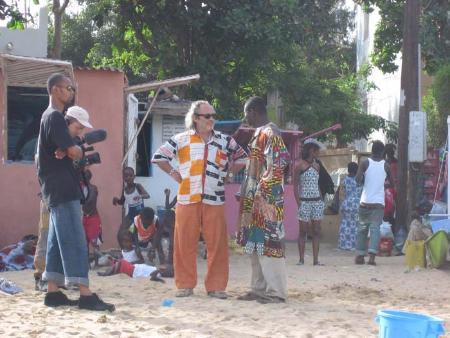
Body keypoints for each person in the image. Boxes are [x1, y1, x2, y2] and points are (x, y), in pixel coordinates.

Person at [152, 100, 246, 299]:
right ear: (195, 118)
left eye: (213, 115)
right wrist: (173, 173)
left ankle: (216, 287)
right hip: (187, 198)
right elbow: (159, 157)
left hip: (215, 198)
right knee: (184, 243)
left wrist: (229, 173)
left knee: (217, 245)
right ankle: (185, 285)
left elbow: (242, 158)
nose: (212, 119)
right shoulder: (181, 139)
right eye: (207, 116)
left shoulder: (224, 140)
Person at [37, 73, 114, 311]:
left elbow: (62, 149)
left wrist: (70, 147)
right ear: (56, 90)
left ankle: (53, 292)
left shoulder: (48, 118)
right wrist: (76, 149)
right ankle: (85, 294)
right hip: (62, 188)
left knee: (56, 241)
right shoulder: (56, 117)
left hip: (54, 187)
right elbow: (71, 152)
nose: (71, 92)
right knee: (74, 238)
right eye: (68, 88)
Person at [237, 96, 290, 304]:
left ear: (253, 111)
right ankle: (258, 289)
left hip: (266, 200)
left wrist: (262, 191)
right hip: (254, 198)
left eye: (246, 114)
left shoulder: (270, 132)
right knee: (255, 243)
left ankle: (276, 292)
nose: (245, 118)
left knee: (269, 244)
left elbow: (279, 164)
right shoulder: (259, 134)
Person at [355, 140, 393, 265]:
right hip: (378, 203)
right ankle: (371, 258)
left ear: (372, 150)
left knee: (362, 228)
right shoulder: (386, 165)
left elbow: (358, 180)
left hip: (365, 201)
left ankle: (360, 256)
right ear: (382, 152)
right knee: (375, 229)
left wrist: (365, 178)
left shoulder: (365, 163)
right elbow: (392, 183)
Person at [293, 139, 325, 266]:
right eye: (317, 150)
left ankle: (316, 260)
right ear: (312, 150)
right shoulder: (299, 166)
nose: (318, 153)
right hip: (304, 202)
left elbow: (317, 185)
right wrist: (299, 203)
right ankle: (301, 260)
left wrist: (321, 200)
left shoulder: (317, 166)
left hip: (317, 202)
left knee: (316, 231)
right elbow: (295, 186)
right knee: (303, 231)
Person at [338, 162, 363, 250]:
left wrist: (341, 206)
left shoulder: (344, 180)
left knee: (345, 224)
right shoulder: (360, 180)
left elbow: (341, 195)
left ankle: (344, 244)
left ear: (348, 170)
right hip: (357, 205)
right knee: (356, 225)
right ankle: (354, 245)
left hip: (347, 204)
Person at [81, 169, 102, 267]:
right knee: (84, 242)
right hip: (84, 217)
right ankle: (87, 264)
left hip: (93, 218)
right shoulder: (81, 188)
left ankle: (96, 263)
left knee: (95, 242)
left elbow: (90, 200)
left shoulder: (93, 188)